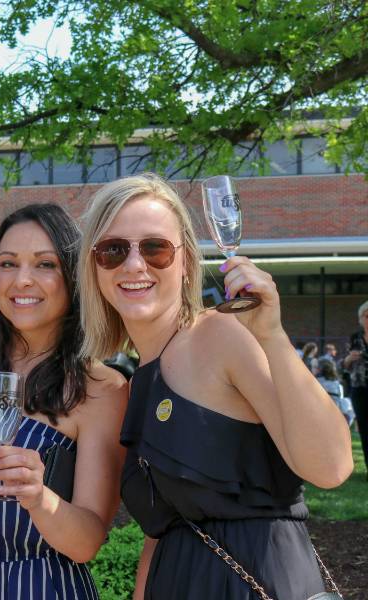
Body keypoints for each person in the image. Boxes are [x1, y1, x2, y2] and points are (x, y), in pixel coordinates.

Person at [78, 174, 353, 600]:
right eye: (113, 250)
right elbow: (163, 529)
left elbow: (331, 468)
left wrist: (273, 336)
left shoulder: (220, 335)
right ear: (94, 267)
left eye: (155, 248)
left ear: (186, 259)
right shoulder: (137, 382)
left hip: (259, 582)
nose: (134, 265)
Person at [0, 203, 128, 599]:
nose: (22, 280)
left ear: (73, 277)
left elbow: (86, 542)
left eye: (45, 265)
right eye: (8, 264)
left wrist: (39, 497)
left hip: (37, 586)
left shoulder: (102, 389)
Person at [343, 300, 368, 476]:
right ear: (360, 318)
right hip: (359, 389)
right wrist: (349, 359)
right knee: (365, 429)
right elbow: (345, 366)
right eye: (366, 315)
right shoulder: (355, 338)